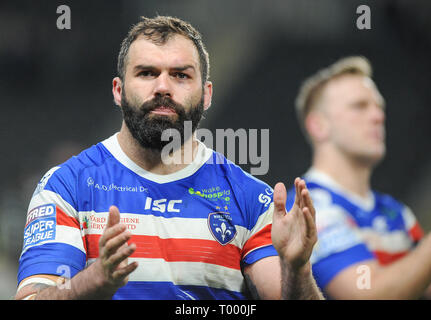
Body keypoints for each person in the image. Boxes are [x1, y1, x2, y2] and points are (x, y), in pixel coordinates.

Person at [15, 16, 323, 300]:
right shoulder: (68, 185)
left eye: (180, 75)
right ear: (119, 90)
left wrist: (298, 269)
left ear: (206, 94)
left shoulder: (250, 198)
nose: (163, 87)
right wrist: (95, 279)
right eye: (147, 73)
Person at [289, 56, 431, 299]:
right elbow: (367, 294)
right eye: (360, 106)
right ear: (318, 125)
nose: (378, 116)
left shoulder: (394, 211)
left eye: (379, 107)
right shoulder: (307, 208)